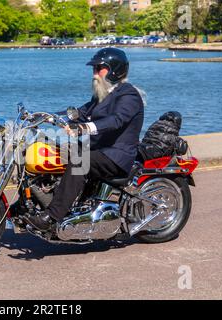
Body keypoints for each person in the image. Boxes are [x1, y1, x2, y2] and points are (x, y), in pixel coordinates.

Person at [27, 48, 145, 231]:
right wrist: (46, 117)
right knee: (51, 150)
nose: (95, 73)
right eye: (94, 68)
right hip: (98, 150)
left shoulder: (128, 95)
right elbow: (80, 114)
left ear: (115, 70)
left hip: (116, 155)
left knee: (80, 161)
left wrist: (84, 128)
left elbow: (116, 120)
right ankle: (33, 202)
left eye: (100, 68)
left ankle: (52, 215)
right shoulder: (103, 94)